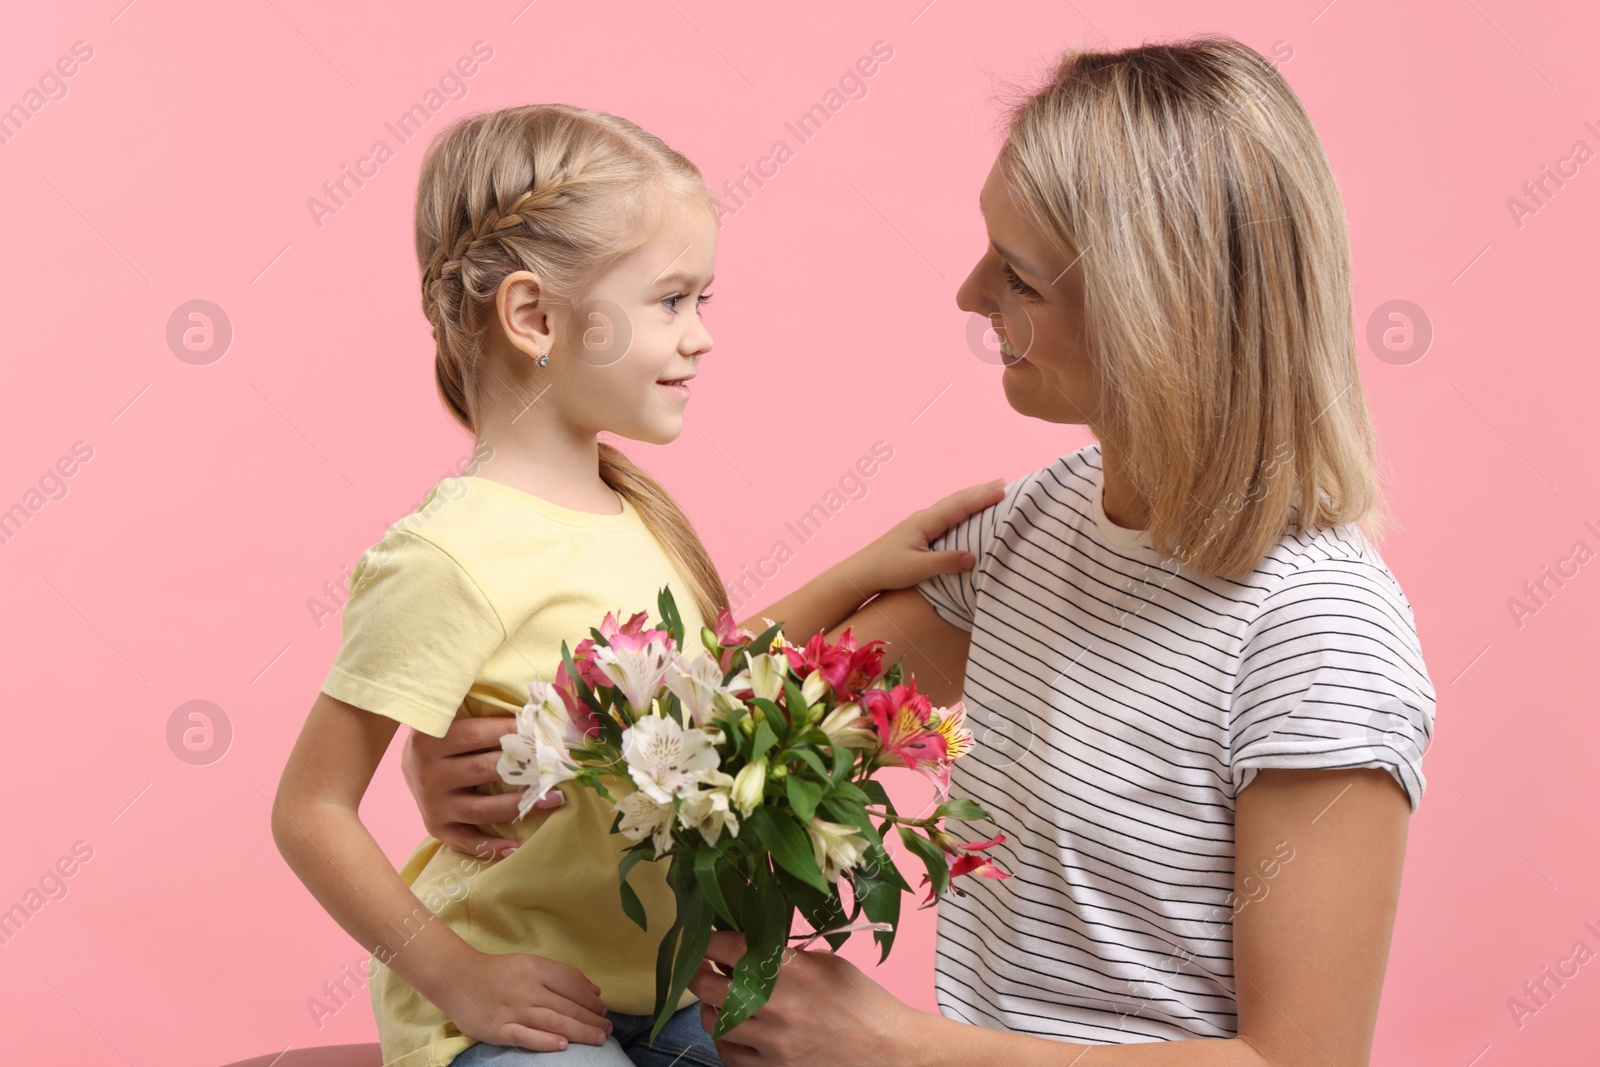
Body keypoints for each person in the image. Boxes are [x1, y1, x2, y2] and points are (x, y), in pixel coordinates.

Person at [411, 35, 1438, 1067]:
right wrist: (509, 751)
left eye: (1021, 276)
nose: (968, 294)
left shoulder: (1319, 631)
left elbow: (1299, 1057)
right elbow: (738, 714)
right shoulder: (1033, 527)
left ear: (1153, 311)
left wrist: (902, 1044)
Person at [271, 102, 1001, 1067]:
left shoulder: (635, 510)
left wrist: (860, 571)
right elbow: (310, 808)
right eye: (671, 301)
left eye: (704, 301)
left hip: (661, 996)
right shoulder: (450, 555)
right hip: (514, 1000)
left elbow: (706, 683)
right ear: (534, 316)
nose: (701, 337)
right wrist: (456, 975)